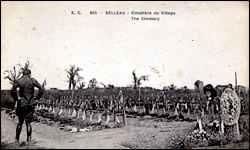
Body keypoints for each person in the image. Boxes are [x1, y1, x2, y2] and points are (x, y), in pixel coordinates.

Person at [11, 68, 44, 142]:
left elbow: (12, 90)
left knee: (20, 122)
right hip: (31, 103)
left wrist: (16, 99)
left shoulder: (19, 80)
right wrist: (37, 98)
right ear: (29, 74)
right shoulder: (32, 80)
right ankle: (29, 140)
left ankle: (17, 140)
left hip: (22, 103)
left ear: (23, 74)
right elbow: (41, 89)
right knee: (28, 122)